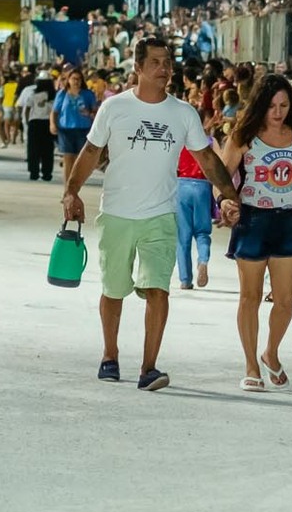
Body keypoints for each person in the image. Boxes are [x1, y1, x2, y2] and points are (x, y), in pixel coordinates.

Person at [60, 38, 239, 392]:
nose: (164, 69)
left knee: (159, 289)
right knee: (114, 290)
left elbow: (206, 159)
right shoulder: (115, 108)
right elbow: (92, 151)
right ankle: (110, 355)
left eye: (167, 62)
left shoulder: (183, 113)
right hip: (117, 213)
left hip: (161, 215)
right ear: (138, 68)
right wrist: (71, 191)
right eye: (156, 62)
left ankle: (149, 368)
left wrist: (229, 195)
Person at [215, 72, 292, 392]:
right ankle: (251, 365)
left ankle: (271, 352)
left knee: (285, 299)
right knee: (249, 296)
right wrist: (225, 202)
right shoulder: (244, 134)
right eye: (271, 106)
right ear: (260, 105)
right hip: (253, 219)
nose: (278, 112)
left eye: (283, 105)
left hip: (288, 220)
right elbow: (222, 175)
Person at [173, 140, 216, 292]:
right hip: (203, 186)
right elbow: (218, 166)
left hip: (182, 185)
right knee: (202, 232)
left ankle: (185, 279)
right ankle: (203, 260)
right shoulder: (209, 142)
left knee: (182, 238)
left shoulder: (179, 140)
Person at [19, 73, 56, 181]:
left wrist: (27, 122)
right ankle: (47, 173)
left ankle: (34, 172)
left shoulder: (33, 95)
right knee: (48, 150)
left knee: (33, 149)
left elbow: (27, 110)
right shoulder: (53, 96)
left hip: (35, 123)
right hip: (48, 124)